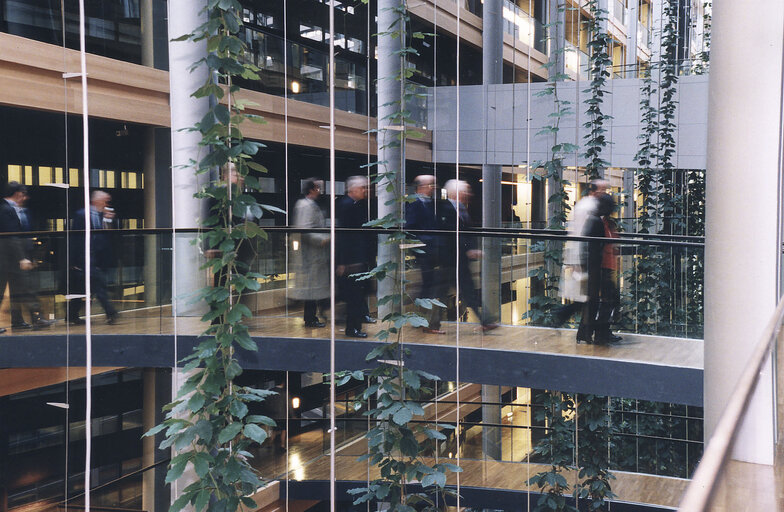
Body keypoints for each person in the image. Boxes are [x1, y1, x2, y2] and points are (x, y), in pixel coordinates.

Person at [441, 179, 498, 332]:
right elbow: (451, 235)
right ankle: (428, 324)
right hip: (449, 260)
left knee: (468, 291)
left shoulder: (462, 209)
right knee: (440, 293)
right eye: (464, 191)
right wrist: (467, 249)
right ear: (455, 192)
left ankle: (485, 321)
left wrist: (471, 249)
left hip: (460, 261)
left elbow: (468, 234)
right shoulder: (444, 209)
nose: (468, 194)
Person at [555, 179, 609, 326]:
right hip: (585, 257)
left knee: (587, 296)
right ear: (594, 190)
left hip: (585, 257)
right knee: (588, 296)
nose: (604, 193)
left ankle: (571, 320)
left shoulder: (587, 205)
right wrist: (576, 261)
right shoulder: (589, 207)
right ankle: (564, 315)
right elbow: (579, 233)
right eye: (602, 190)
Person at [0, 182, 53, 330]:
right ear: (17, 193)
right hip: (7, 258)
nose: (25, 197)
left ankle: (18, 321)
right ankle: (35, 319)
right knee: (14, 289)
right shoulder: (6, 209)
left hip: (10, 259)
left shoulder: (10, 209)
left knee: (18, 290)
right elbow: (12, 237)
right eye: (23, 194)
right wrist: (21, 257)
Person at [69, 190, 118, 325]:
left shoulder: (104, 216)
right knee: (98, 284)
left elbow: (108, 236)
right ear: (96, 200)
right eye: (105, 200)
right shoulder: (82, 214)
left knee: (83, 287)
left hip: (99, 257)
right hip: (85, 257)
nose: (107, 203)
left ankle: (72, 314)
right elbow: (75, 238)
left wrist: (109, 221)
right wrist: (73, 260)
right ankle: (110, 312)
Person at [405, 174, 447, 334]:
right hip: (424, 250)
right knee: (428, 286)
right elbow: (410, 227)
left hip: (431, 249)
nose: (433, 187)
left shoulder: (429, 203)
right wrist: (424, 242)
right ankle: (423, 321)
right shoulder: (415, 203)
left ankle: (421, 321)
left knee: (428, 285)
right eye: (431, 185)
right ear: (421, 187)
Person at [576, 192, 619, 344]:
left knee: (597, 302)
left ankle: (588, 332)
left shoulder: (602, 221)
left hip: (601, 267)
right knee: (604, 301)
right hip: (599, 268)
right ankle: (597, 333)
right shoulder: (596, 221)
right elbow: (591, 247)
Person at [336, 175, 374, 338]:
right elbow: (344, 236)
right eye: (362, 188)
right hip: (351, 259)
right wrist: (343, 262)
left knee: (356, 295)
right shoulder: (347, 205)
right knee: (354, 295)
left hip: (355, 258)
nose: (364, 191)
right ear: (353, 189)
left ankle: (354, 325)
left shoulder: (353, 204)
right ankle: (353, 328)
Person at [290, 178, 330, 328]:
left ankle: (314, 316)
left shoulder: (308, 205)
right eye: (318, 188)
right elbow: (304, 229)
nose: (320, 191)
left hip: (314, 255)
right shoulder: (306, 206)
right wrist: (323, 240)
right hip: (311, 254)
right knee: (312, 288)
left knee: (314, 288)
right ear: (312, 189)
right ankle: (310, 318)